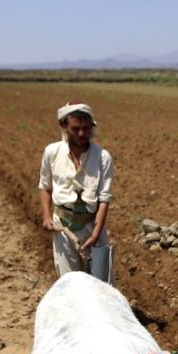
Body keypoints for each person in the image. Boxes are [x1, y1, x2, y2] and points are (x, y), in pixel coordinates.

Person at [38, 101, 115, 284]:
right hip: (63, 229)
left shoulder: (102, 157)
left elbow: (104, 199)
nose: (81, 134)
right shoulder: (52, 152)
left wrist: (95, 235)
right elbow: (45, 186)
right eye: (75, 129)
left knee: (102, 285)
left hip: (92, 228)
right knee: (70, 284)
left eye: (85, 128)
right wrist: (47, 216)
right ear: (63, 126)